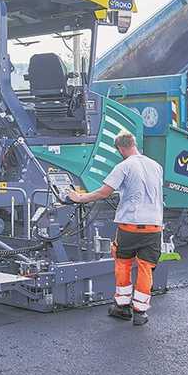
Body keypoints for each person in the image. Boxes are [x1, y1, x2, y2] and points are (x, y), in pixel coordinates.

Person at [68, 131, 163, 326]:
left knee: (123, 263)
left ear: (120, 148)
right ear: (134, 144)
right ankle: (140, 312)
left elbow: (104, 192)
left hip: (130, 227)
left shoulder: (124, 166)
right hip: (154, 227)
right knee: (146, 268)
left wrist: (79, 198)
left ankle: (122, 307)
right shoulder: (156, 166)